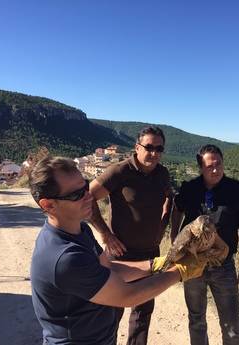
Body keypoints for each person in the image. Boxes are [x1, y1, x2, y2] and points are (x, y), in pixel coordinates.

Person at [29, 156, 205, 345]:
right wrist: (179, 271)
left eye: (85, 187)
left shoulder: (80, 230)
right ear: (48, 205)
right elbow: (126, 296)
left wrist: (156, 264)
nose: (88, 196)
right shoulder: (64, 257)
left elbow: (108, 268)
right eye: (76, 194)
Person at [89, 126, 171, 345]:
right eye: (149, 147)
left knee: (143, 314)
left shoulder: (162, 174)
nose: (154, 153)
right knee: (112, 313)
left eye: (159, 148)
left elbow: (168, 198)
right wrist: (105, 234)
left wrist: (162, 227)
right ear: (137, 147)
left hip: (151, 253)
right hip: (121, 255)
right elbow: (88, 198)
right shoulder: (119, 172)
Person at [171, 144, 239, 345]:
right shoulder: (190, 189)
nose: (215, 170)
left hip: (223, 264)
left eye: (218, 164)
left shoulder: (238, 191)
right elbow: (177, 209)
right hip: (192, 264)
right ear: (201, 167)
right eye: (210, 166)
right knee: (196, 320)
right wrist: (175, 235)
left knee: (231, 325)